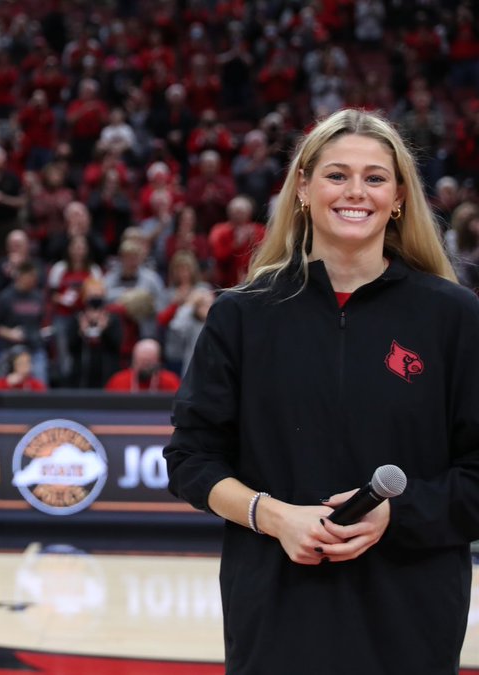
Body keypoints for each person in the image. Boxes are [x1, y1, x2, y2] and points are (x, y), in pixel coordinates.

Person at [164, 108, 479, 674]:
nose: (355, 191)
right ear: (303, 188)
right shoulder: (242, 315)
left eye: (375, 177)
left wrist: (398, 516)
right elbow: (190, 459)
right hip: (275, 614)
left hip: (411, 619)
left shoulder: (454, 316)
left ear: (400, 196)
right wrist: (274, 516)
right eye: (336, 175)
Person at [103, 338, 181, 393]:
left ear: (158, 361)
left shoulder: (171, 381)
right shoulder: (118, 381)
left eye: (149, 362)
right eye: (141, 361)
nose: (145, 366)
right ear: (133, 361)